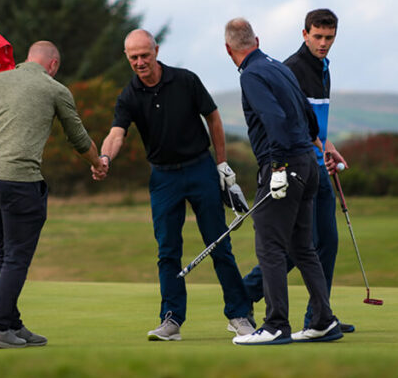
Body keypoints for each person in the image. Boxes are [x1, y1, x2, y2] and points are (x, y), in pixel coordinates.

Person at [0, 41, 106, 349]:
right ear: (53, 64)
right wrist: (97, 163)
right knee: (15, 255)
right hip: (19, 181)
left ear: (28, 58)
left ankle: (12, 323)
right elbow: (78, 139)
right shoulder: (54, 89)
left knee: (4, 252)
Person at [98, 29, 255, 341]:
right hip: (163, 178)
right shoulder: (129, 95)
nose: (140, 62)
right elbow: (117, 133)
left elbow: (213, 118)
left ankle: (239, 314)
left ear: (156, 50)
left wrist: (221, 163)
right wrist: (105, 158)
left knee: (219, 244)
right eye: (133, 57)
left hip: (200, 169)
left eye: (145, 55)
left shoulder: (185, 80)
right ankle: (171, 319)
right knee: (168, 250)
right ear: (127, 57)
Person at [224, 17, 341, 345]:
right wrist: (313, 147)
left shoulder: (251, 75)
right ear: (257, 41)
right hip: (308, 163)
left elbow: (274, 118)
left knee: (270, 246)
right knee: (302, 247)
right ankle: (323, 321)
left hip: (284, 164)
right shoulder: (279, 67)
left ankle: (276, 324)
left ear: (228, 50)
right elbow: (308, 115)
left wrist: (277, 167)